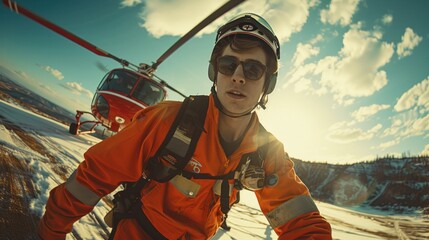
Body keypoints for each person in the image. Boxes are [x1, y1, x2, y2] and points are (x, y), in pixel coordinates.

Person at [38, 13, 332, 239]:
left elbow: (301, 222)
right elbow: (91, 179)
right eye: (229, 65)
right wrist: (51, 232)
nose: (239, 77)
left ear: (268, 83)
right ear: (214, 72)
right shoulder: (165, 120)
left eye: (253, 69)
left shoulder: (268, 153)